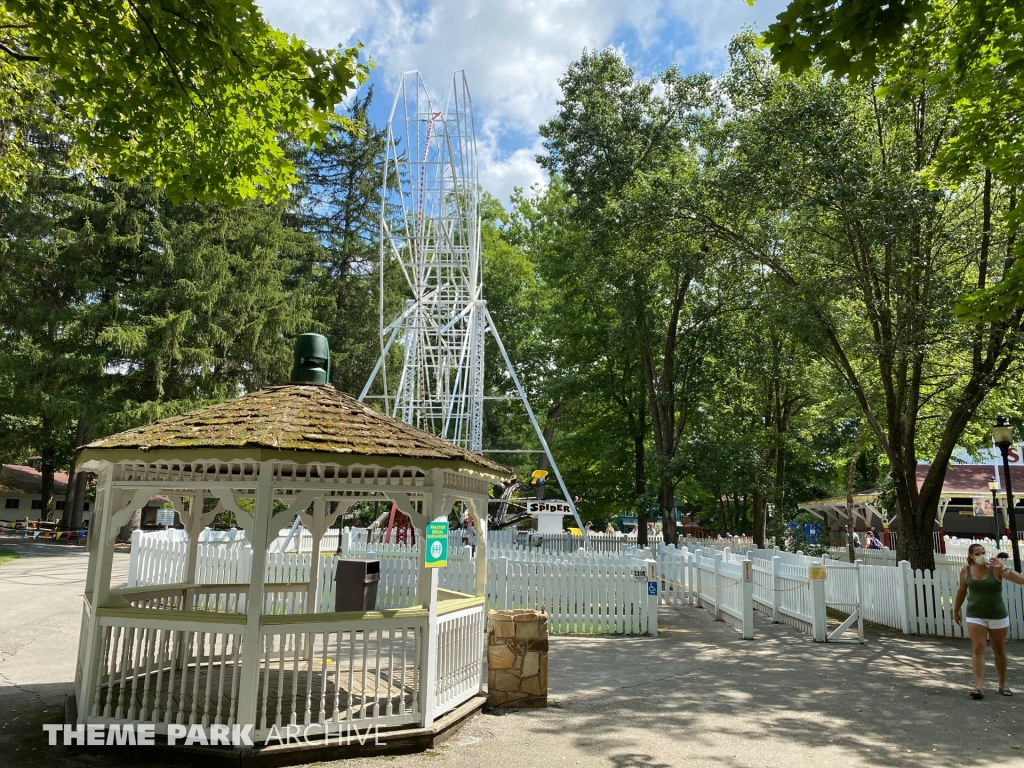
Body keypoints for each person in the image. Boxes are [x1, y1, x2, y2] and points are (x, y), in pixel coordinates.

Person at [953, 542, 1024, 698]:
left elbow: (1020, 580)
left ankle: (1002, 684)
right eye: (977, 553)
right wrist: (956, 610)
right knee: (978, 648)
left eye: (983, 552)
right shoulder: (966, 571)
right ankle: (978, 687)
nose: (981, 556)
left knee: (999, 649)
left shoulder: (996, 569)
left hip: (997, 614)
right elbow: (962, 590)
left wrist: (1003, 567)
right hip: (975, 614)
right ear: (970, 556)